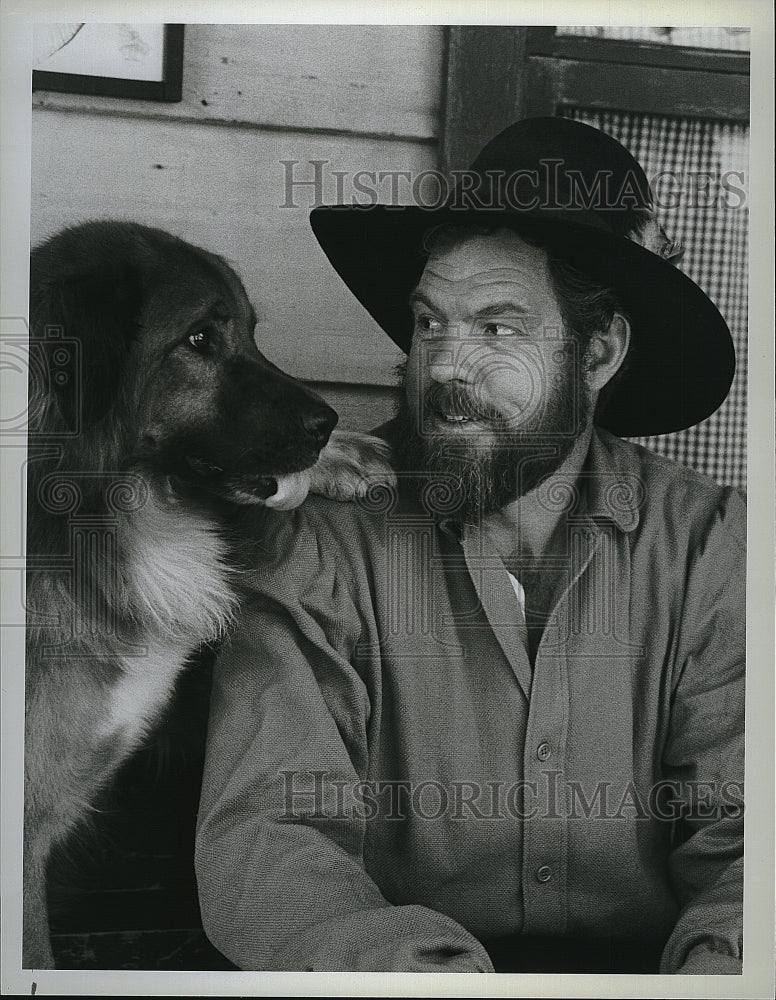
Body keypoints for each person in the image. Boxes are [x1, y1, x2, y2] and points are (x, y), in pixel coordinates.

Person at [194, 117, 744, 974]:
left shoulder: (710, 544)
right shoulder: (322, 543)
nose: (446, 367)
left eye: (495, 329)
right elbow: (269, 837)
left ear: (596, 354)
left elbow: (750, 842)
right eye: (429, 324)